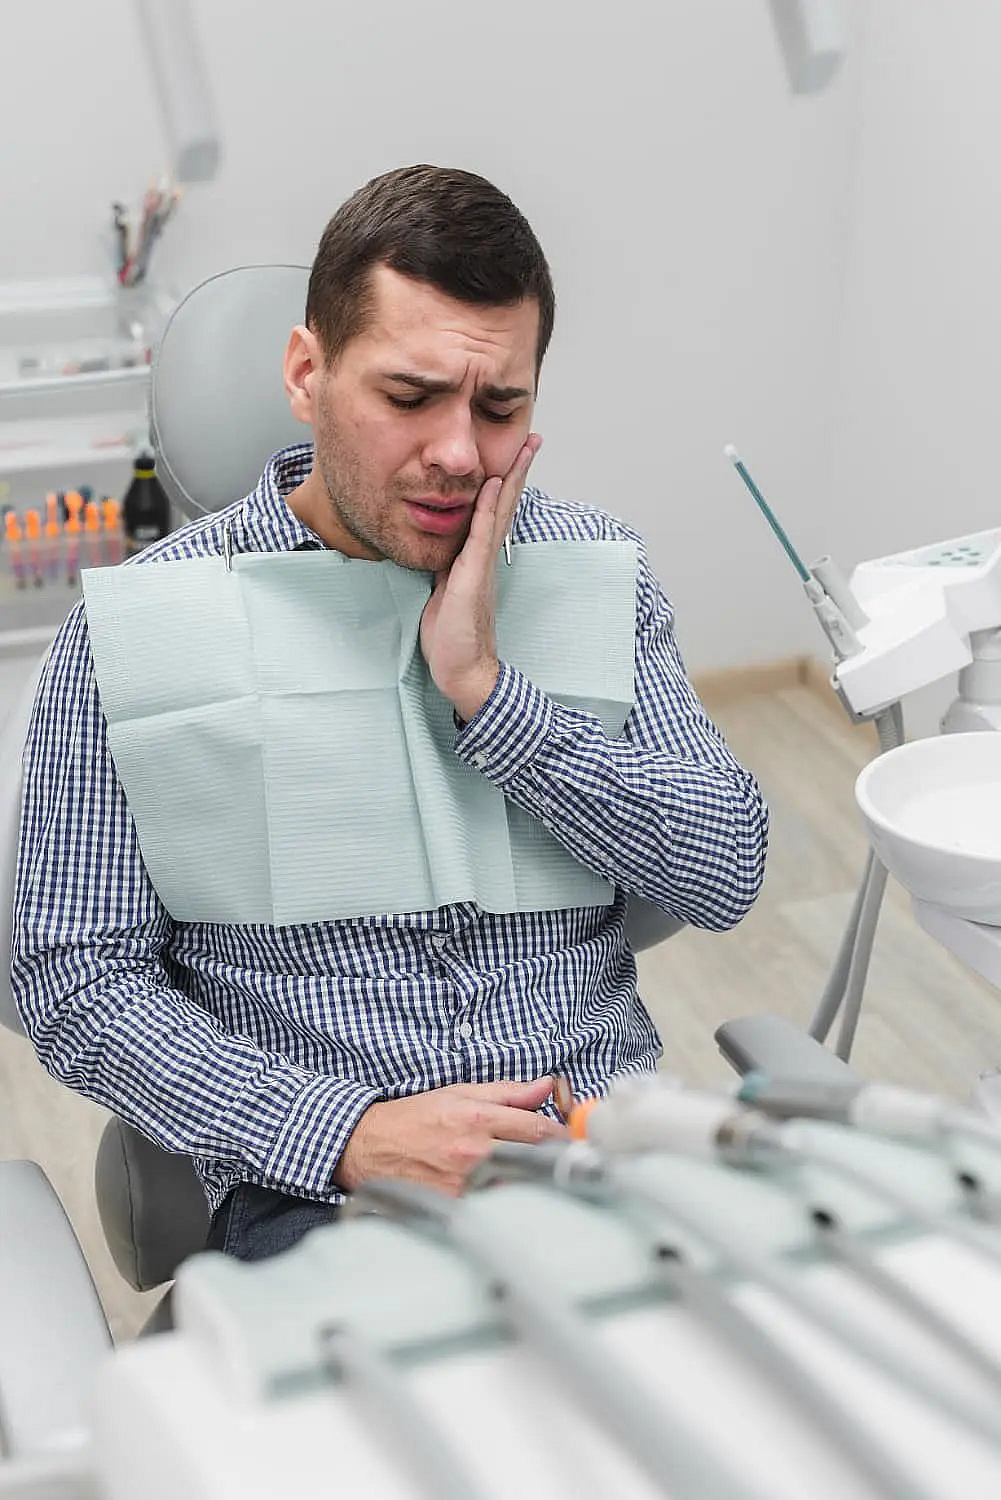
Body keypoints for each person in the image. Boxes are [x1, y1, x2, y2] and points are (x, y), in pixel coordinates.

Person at [11, 165, 768, 1264]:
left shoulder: (590, 575)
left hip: (606, 1150)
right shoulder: (136, 633)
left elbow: (723, 870)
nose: (458, 455)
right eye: (409, 398)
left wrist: (494, 701)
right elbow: (74, 976)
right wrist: (347, 1135)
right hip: (320, 1192)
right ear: (306, 373)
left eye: (497, 406)